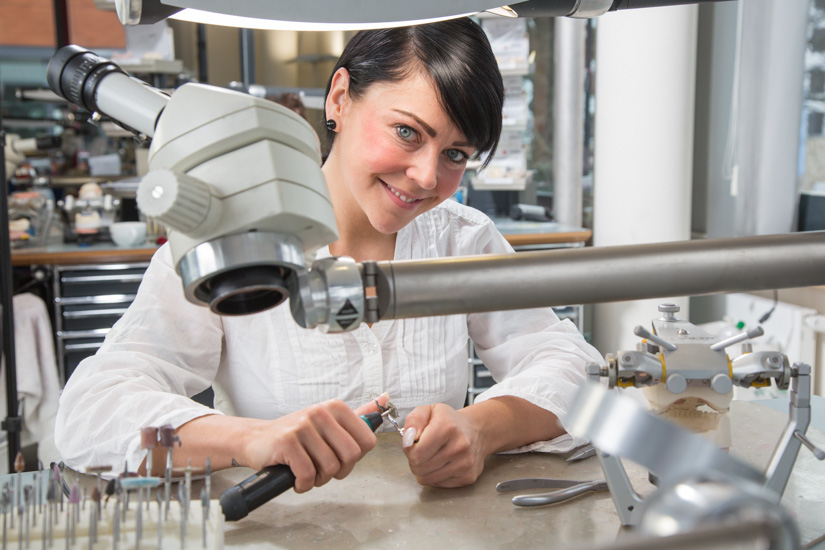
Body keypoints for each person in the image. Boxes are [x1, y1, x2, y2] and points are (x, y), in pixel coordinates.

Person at [55, 17, 602, 493]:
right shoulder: (232, 238)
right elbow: (93, 414)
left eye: (455, 154)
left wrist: (480, 429)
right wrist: (247, 439)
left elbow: (571, 366)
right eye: (407, 132)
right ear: (339, 97)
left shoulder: (462, 239)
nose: (428, 177)